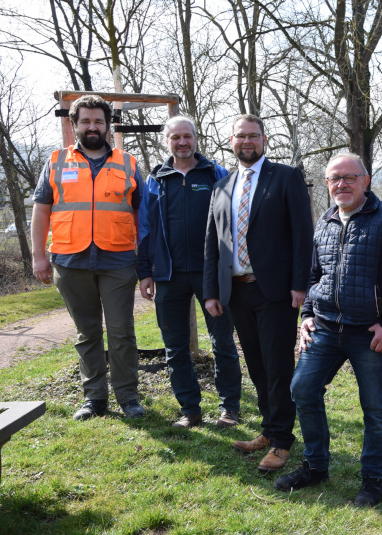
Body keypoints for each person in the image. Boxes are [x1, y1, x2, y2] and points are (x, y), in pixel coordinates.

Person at [274, 152, 382, 507]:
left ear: (365, 181)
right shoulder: (324, 221)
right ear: (327, 184)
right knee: (303, 390)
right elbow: (313, 275)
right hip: (323, 329)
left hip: (368, 334)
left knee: (374, 407)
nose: (342, 184)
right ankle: (316, 466)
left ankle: (372, 478)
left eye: (349, 177)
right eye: (335, 178)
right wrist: (306, 314)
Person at [203, 114, 313, 472]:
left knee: (278, 365)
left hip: (276, 291)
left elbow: (301, 234)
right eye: (240, 136)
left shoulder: (286, 177)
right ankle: (269, 429)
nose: (246, 142)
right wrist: (211, 292)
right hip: (235, 292)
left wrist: (300, 284)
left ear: (264, 140)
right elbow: (212, 246)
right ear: (230, 141)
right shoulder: (222, 188)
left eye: (253, 136)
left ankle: (282, 441)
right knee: (256, 365)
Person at [31, 95, 145, 421]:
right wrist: (40, 257)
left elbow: (144, 216)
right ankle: (94, 399)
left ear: (108, 125)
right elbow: (41, 212)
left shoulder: (128, 163)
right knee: (88, 333)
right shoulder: (56, 162)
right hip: (69, 261)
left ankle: (128, 397)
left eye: (98, 121)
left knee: (122, 331)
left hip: (119, 260)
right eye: (85, 121)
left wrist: (145, 258)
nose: (92, 127)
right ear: (74, 124)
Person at [137, 115, 242, 429]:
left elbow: (235, 225)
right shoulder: (154, 181)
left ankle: (229, 409)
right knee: (175, 346)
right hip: (168, 276)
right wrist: (145, 271)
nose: (182, 142)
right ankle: (190, 411)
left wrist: (232, 268)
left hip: (212, 275)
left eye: (187, 136)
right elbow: (144, 229)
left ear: (196, 138)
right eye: (175, 137)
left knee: (222, 342)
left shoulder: (216, 175)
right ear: (166, 141)